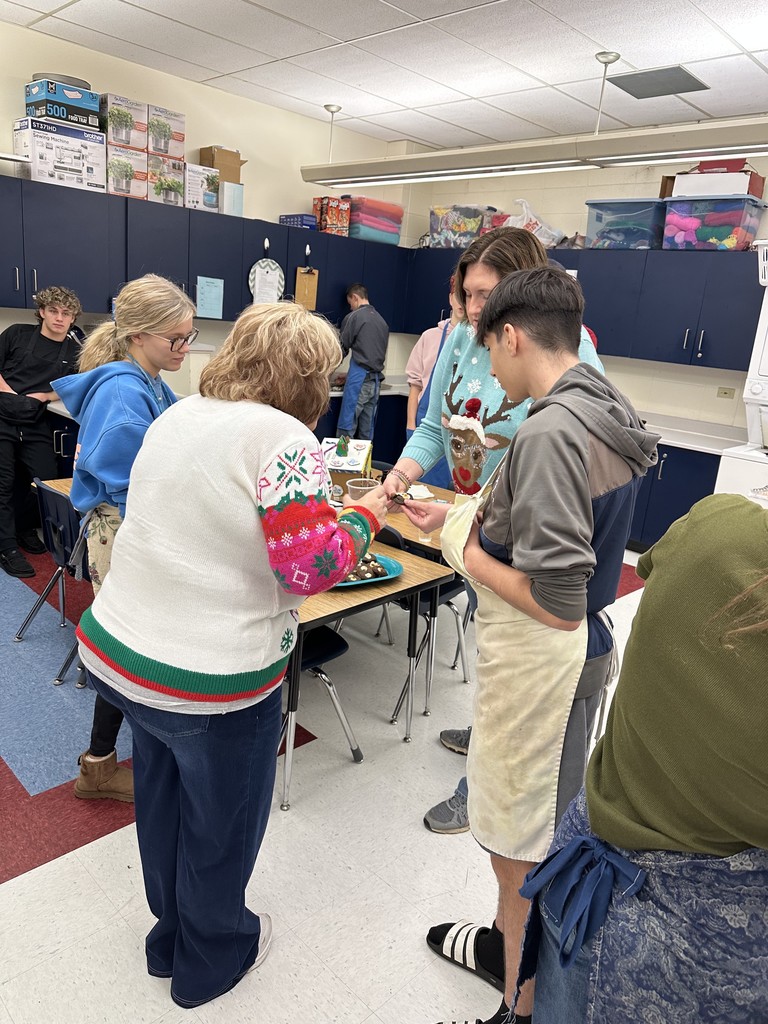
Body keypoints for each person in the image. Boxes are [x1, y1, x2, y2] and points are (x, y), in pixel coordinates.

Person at [74, 301, 388, 1010]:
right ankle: (211, 959)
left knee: (162, 804)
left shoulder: (178, 413)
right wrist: (366, 517)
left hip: (127, 655)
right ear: (310, 379)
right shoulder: (284, 439)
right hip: (211, 681)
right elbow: (309, 569)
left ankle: (168, 938)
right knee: (222, 822)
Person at [402, 267, 658, 1024]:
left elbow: (557, 599)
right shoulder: (602, 401)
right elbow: (558, 525)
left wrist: (462, 548)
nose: (488, 369)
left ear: (511, 337)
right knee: (534, 828)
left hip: (547, 660)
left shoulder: (547, 433)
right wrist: (467, 513)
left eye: (488, 349)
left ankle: (521, 1004)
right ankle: (508, 952)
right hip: (581, 657)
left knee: (519, 846)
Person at [383, 228, 604, 840]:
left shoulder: (567, 351)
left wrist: (467, 522)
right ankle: (486, 733)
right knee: (493, 653)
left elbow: (566, 453)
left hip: (521, 530)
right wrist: (396, 481)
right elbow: (435, 428)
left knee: (517, 666)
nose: (475, 308)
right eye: (468, 293)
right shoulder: (459, 337)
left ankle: (479, 790)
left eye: (488, 295)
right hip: (478, 519)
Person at [522, 493, 768, 1024]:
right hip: (666, 923)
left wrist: (466, 549)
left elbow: (572, 597)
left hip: (617, 904)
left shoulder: (718, 523)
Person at [53, 274, 197, 804]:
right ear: (137, 334)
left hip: (129, 524)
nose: (184, 347)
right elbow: (132, 478)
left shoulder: (149, 379)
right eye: (175, 339)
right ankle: (99, 767)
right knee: (128, 648)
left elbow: (181, 428)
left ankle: (101, 761)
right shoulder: (122, 389)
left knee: (127, 644)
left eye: (188, 336)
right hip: (124, 528)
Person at [0, 286, 82, 578]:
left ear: (73, 318)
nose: (59, 318)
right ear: (42, 312)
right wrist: (9, 393)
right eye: (54, 311)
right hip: (3, 414)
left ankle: (24, 528)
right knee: (4, 481)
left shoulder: (75, 350)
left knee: (45, 480)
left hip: (35, 419)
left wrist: (45, 396)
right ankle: (6, 547)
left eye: (66, 313)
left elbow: (75, 384)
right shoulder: (17, 334)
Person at [405, 285, 463, 489]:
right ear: (450, 298)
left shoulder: (477, 341)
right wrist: (411, 426)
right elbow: (415, 388)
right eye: (459, 295)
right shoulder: (429, 337)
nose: (463, 302)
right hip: (425, 426)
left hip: (459, 430)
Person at [337, 282, 389, 440]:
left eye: (350, 304)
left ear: (355, 297)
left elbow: (341, 349)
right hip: (375, 383)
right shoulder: (382, 321)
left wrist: (326, 371)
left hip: (359, 381)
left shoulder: (354, 317)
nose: (350, 308)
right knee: (367, 433)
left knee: (346, 428)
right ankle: (365, 457)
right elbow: (370, 356)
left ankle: (342, 457)